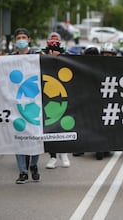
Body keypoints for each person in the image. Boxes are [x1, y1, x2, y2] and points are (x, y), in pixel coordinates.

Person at [10, 28, 43, 184]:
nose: (21, 40)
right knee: (19, 138)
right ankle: (23, 171)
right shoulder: (9, 60)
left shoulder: (37, 56)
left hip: (34, 104)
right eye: (18, 38)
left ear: (29, 39)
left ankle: (34, 165)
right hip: (17, 104)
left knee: (35, 137)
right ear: (15, 41)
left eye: (24, 37)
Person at [100, 42, 123, 158]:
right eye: (105, 54)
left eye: (109, 54)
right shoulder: (95, 65)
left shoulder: (120, 66)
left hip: (116, 98)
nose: (107, 56)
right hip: (100, 98)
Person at [44, 32, 72, 169]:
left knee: (63, 126)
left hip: (64, 96)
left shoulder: (67, 56)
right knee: (50, 128)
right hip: (48, 97)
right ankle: (53, 156)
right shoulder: (41, 55)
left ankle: (64, 153)